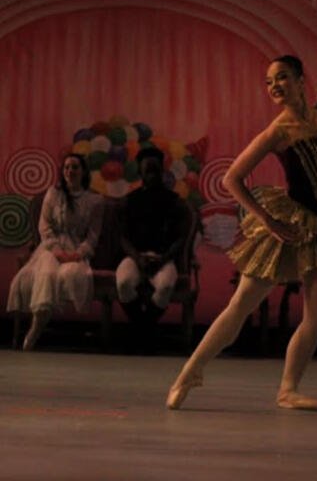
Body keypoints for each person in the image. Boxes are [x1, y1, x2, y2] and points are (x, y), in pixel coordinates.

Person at [167, 0, 317, 411]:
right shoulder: (278, 131)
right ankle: (190, 372)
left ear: (300, 80)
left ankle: (288, 388)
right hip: (291, 224)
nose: (274, 86)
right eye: (269, 82)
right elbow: (232, 178)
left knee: (316, 316)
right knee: (240, 306)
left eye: (282, 77)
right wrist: (267, 221)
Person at [7, 154, 103, 350]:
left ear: (83, 171)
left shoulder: (94, 200)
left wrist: (78, 254)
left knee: (69, 273)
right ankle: (36, 327)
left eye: (75, 167)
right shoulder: (53, 194)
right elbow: (45, 226)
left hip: (76, 250)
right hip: (51, 248)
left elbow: (93, 235)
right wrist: (57, 250)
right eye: (66, 167)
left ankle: (37, 326)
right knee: (47, 272)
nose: (70, 171)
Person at [116, 147, 188, 343]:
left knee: (165, 286)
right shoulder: (129, 201)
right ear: (140, 172)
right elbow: (123, 237)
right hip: (135, 257)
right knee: (123, 283)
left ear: (162, 171)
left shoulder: (174, 202)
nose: (152, 174)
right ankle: (145, 330)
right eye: (148, 170)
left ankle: (141, 330)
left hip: (163, 258)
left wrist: (164, 259)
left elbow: (181, 238)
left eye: (156, 170)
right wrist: (137, 258)